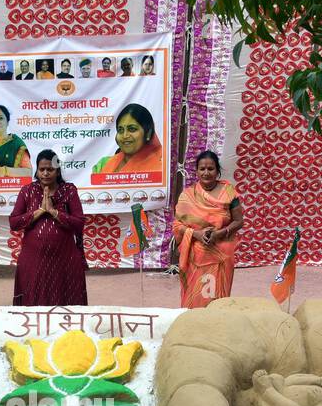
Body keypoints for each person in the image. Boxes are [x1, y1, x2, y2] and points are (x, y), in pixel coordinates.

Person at [8, 150, 87, 307]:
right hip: (33, 260)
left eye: (50, 169)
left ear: (57, 171)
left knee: (66, 301)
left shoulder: (69, 190)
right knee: (32, 301)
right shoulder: (27, 191)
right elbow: (14, 222)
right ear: (36, 171)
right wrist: (39, 212)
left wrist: (54, 212)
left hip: (64, 260)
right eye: (41, 169)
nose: (45, 173)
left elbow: (79, 223)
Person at [172, 151, 243, 309]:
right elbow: (177, 226)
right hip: (195, 253)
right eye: (202, 169)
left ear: (217, 171)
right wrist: (196, 234)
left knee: (218, 299)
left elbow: (239, 221)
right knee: (196, 298)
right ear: (196, 171)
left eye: (210, 169)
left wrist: (219, 234)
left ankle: (218, 324)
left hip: (222, 253)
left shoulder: (228, 191)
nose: (206, 173)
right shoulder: (188, 195)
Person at [92, 103, 163, 175]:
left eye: (132, 129)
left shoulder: (160, 168)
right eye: (120, 130)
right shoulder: (103, 165)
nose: (125, 135)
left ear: (148, 133)